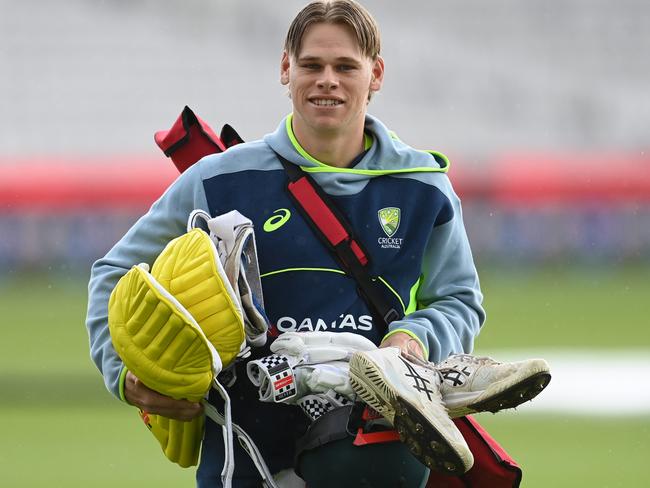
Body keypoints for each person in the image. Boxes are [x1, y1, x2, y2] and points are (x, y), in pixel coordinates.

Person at [86, 1, 549, 487]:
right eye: (312, 65)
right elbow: (116, 272)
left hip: (373, 449)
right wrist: (123, 374)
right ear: (286, 69)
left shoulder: (424, 186)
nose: (327, 79)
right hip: (242, 450)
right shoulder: (220, 178)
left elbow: (458, 301)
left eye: (346, 66)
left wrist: (410, 341)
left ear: (376, 74)